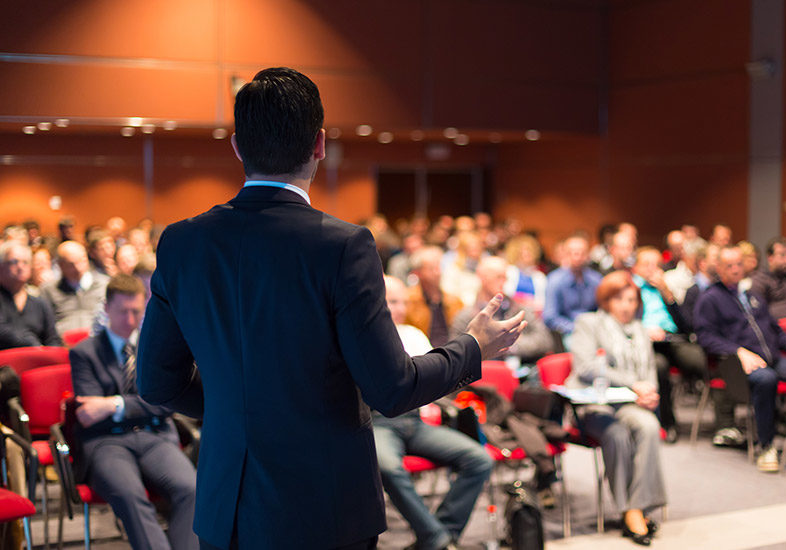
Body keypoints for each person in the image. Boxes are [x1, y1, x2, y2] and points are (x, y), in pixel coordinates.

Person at [136, 67, 525, 550]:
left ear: (237, 146)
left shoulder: (182, 242)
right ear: (319, 143)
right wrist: (473, 347)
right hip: (323, 506)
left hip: (226, 506)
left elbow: (155, 381)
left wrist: (236, 407)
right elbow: (392, 387)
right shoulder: (342, 245)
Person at [70, 274, 198, 550]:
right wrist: (140, 405)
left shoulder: (156, 347)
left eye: (136, 312)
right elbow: (88, 412)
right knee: (130, 496)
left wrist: (113, 404)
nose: (129, 320)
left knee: (192, 490)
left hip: (154, 437)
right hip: (106, 442)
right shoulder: (84, 353)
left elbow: (165, 404)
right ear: (106, 308)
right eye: (122, 311)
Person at [375, 276, 492, 550]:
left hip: (414, 421)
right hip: (379, 423)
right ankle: (438, 540)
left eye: (404, 301)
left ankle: (437, 538)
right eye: (393, 301)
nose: (401, 308)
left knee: (479, 459)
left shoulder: (413, 334)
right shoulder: (364, 338)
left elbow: (435, 382)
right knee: (389, 468)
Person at [568, 271, 667, 546]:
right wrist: (634, 383)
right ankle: (629, 511)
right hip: (593, 404)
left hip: (627, 403)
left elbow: (649, 373)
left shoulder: (640, 330)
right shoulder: (588, 323)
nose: (626, 306)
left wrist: (649, 393)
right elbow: (586, 367)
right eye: (619, 299)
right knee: (617, 435)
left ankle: (636, 507)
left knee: (648, 426)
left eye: (632, 300)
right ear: (607, 300)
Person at [693, 246, 786, 471]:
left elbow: (774, 330)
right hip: (735, 365)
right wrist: (738, 351)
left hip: (772, 357)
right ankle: (765, 446)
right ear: (718, 268)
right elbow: (705, 337)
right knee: (766, 380)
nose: (736, 269)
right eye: (730, 266)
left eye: (739, 264)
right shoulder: (710, 299)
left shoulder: (752, 295)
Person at [631, 247, 706, 443]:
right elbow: (627, 322)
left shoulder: (665, 288)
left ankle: (725, 421)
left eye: (656, 265)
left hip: (672, 340)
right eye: (646, 265)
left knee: (699, 360)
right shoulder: (631, 288)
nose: (651, 269)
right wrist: (645, 331)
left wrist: (668, 294)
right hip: (645, 344)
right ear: (636, 267)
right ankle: (666, 422)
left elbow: (685, 325)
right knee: (659, 367)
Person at [451, 256, 554, 365]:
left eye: (505, 278)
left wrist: (510, 345)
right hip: (484, 376)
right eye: (498, 277)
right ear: (482, 277)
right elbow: (458, 353)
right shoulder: (466, 316)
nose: (503, 282)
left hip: (522, 373)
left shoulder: (520, 309)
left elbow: (545, 341)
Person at [0, 242, 61, 350]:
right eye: (14, 262)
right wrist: (33, 345)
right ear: (1, 266)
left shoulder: (40, 304)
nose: (20, 267)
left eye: (25, 262)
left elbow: (53, 339)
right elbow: (3, 331)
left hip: (38, 362)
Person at [543, 234, 602, 345]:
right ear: (565, 255)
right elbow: (550, 317)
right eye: (573, 253)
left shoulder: (596, 279)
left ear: (588, 255)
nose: (578, 257)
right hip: (568, 332)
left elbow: (603, 309)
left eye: (582, 253)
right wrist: (575, 328)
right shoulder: (554, 280)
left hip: (593, 329)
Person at [41, 240, 108, 334]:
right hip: (64, 343)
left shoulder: (104, 284)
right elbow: (45, 326)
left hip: (96, 342)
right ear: (61, 265)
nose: (78, 268)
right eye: (71, 265)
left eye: (81, 261)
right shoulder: (49, 290)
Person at [405, 246, 465, 347]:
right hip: (423, 354)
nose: (438, 273)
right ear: (418, 273)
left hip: (451, 352)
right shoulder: (408, 300)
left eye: (439, 267)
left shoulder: (454, 300)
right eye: (431, 269)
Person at [750, 237, 786, 320]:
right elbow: (758, 312)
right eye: (782, 255)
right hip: (777, 327)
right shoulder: (760, 280)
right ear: (770, 258)